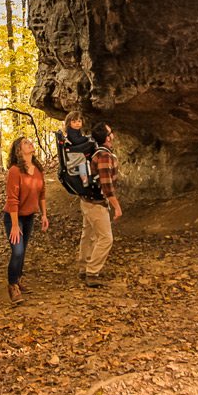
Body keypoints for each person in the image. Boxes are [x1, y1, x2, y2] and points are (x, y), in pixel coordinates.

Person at [2, 136, 48, 305]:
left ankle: (18, 280)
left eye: (30, 141)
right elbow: (12, 199)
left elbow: (42, 194)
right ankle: (12, 285)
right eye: (25, 143)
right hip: (13, 217)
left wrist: (44, 215)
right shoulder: (15, 171)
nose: (30, 143)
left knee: (23, 250)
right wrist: (14, 225)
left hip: (29, 216)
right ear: (19, 151)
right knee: (18, 251)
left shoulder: (38, 169)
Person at [78, 121, 122, 288]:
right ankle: (92, 272)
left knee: (88, 235)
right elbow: (107, 186)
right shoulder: (104, 156)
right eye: (110, 132)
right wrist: (117, 207)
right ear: (107, 138)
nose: (113, 135)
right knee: (105, 238)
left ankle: (84, 267)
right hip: (96, 203)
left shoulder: (98, 153)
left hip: (87, 201)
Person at [63, 111, 95, 185]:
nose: (77, 123)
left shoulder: (76, 130)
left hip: (77, 150)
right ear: (69, 123)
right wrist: (86, 138)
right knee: (82, 164)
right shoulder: (71, 131)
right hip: (75, 153)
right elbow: (76, 141)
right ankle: (85, 180)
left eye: (79, 121)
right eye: (74, 122)